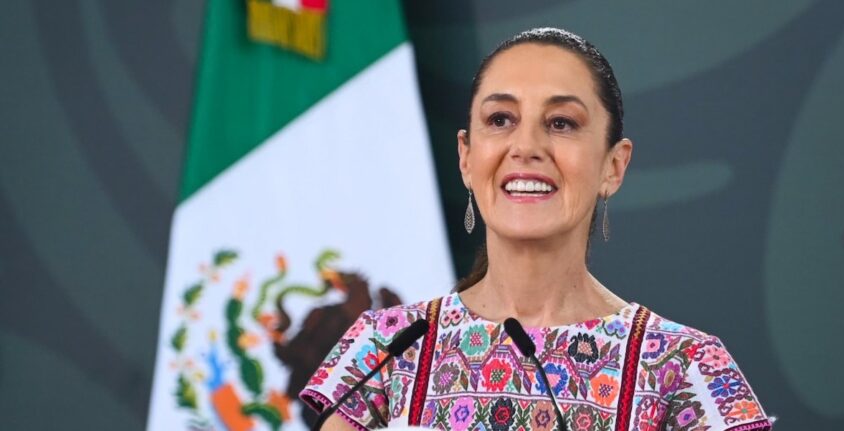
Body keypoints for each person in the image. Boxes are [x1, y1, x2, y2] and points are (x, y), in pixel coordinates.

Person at [300, 27, 772, 431]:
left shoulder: (686, 365)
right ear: (466, 157)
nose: (525, 146)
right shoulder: (384, 347)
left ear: (614, 165)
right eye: (500, 119)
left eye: (561, 123)